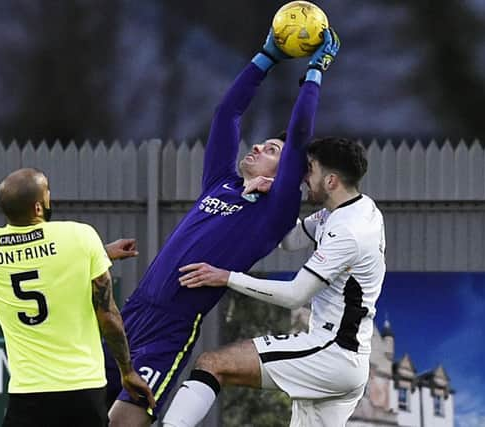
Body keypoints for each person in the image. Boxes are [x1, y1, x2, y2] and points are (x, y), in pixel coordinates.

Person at [105, 28, 341, 426]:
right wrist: (265, 57)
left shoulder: (275, 211)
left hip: (168, 332)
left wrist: (316, 70)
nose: (257, 147)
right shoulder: (221, 182)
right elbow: (227, 114)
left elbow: (300, 136)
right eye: (261, 143)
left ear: (287, 172)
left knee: (124, 423)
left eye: (271, 150)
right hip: (130, 315)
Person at [162, 137, 386, 427]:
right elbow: (290, 240)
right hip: (347, 360)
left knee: (213, 364)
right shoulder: (355, 208)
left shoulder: (348, 230)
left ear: (330, 181)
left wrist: (227, 277)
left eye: (310, 170)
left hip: (331, 353)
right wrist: (271, 198)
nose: (303, 177)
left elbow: (295, 295)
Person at [0, 168, 154, 427]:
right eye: (47, 194)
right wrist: (127, 372)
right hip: (83, 389)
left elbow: (35, 262)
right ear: (37, 207)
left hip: (28, 391)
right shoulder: (79, 236)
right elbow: (109, 318)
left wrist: (100, 254)